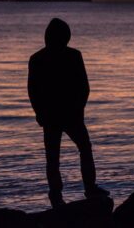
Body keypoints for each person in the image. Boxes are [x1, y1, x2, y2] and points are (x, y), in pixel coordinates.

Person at [28, 18, 109, 207]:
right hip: (67, 114)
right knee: (83, 149)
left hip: (53, 115)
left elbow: (33, 91)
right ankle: (88, 188)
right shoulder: (73, 56)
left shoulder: (38, 58)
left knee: (53, 157)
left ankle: (56, 196)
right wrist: (78, 109)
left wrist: (40, 113)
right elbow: (84, 87)